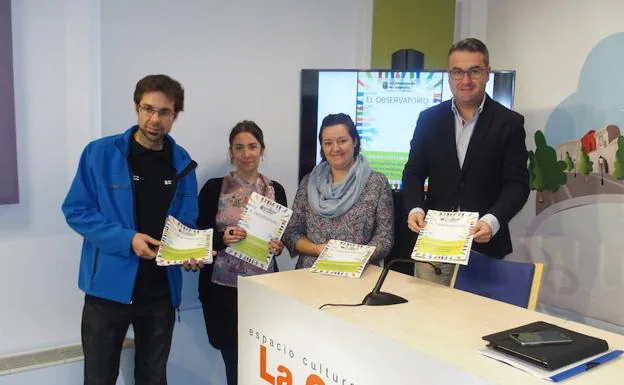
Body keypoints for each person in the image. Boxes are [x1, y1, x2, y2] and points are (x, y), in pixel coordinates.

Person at [62, 74, 198, 385]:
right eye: (148, 109)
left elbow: (186, 222)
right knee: (99, 379)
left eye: (164, 112)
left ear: (175, 115)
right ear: (136, 108)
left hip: (161, 294)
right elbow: (77, 211)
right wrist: (128, 240)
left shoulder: (183, 163)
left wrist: (188, 252)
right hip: (107, 292)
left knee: (153, 378)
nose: (154, 119)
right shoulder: (99, 154)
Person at [402, 38, 530, 286]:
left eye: (474, 71)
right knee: (428, 316)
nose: (466, 80)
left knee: (479, 322)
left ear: (487, 73)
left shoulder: (509, 123)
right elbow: (413, 172)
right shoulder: (429, 120)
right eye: (457, 72)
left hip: (484, 243)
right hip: (435, 245)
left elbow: (517, 184)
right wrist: (415, 208)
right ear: (449, 75)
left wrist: (492, 221)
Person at [197, 120, 287, 385]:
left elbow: (278, 237)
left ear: (262, 150)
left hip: (263, 290)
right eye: (239, 148)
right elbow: (200, 235)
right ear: (231, 152)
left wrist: (278, 246)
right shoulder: (214, 188)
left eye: (252, 146)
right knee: (234, 365)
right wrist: (221, 237)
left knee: (263, 363)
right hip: (222, 292)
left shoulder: (276, 190)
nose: (246, 154)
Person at [283, 113, 394, 268]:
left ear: (354, 141)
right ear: (322, 146)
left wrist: (354, 257)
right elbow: (291, 233)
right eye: (328, 143)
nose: (335, 148)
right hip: (310, 275)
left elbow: (384, 238)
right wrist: (316, 250)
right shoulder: (309, 182)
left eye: (342, 141)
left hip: (359, 274)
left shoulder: (377, 182)